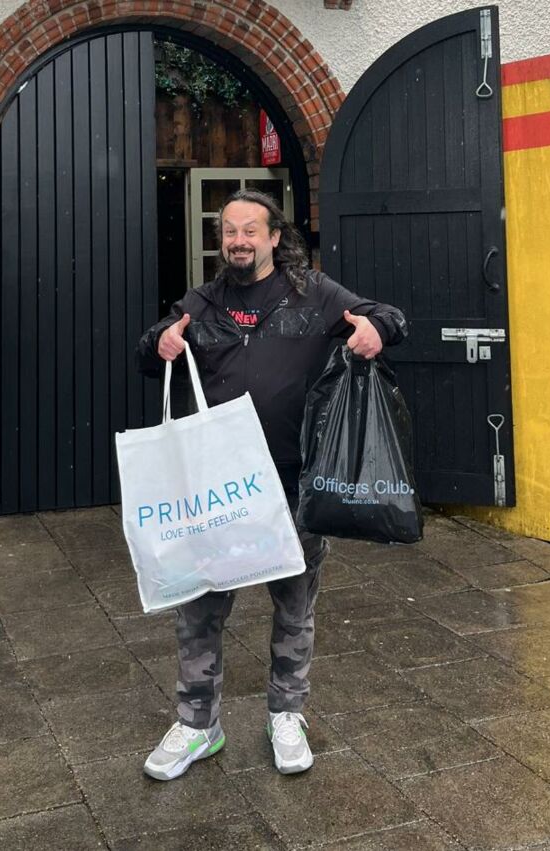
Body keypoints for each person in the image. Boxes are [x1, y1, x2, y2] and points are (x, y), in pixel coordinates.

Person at [136, 188, 407, 780]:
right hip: (216, 490)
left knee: (294, 606)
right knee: (200, 609)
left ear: (274, 237)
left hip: (291, 484)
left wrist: (377, 330)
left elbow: (389, 316)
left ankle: (287, 714)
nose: (238, 241)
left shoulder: (314, 294)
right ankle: (198, 724)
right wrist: (159, 342)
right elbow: (148, 349)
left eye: (250, 231)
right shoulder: (202, 301)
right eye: (229, 231)